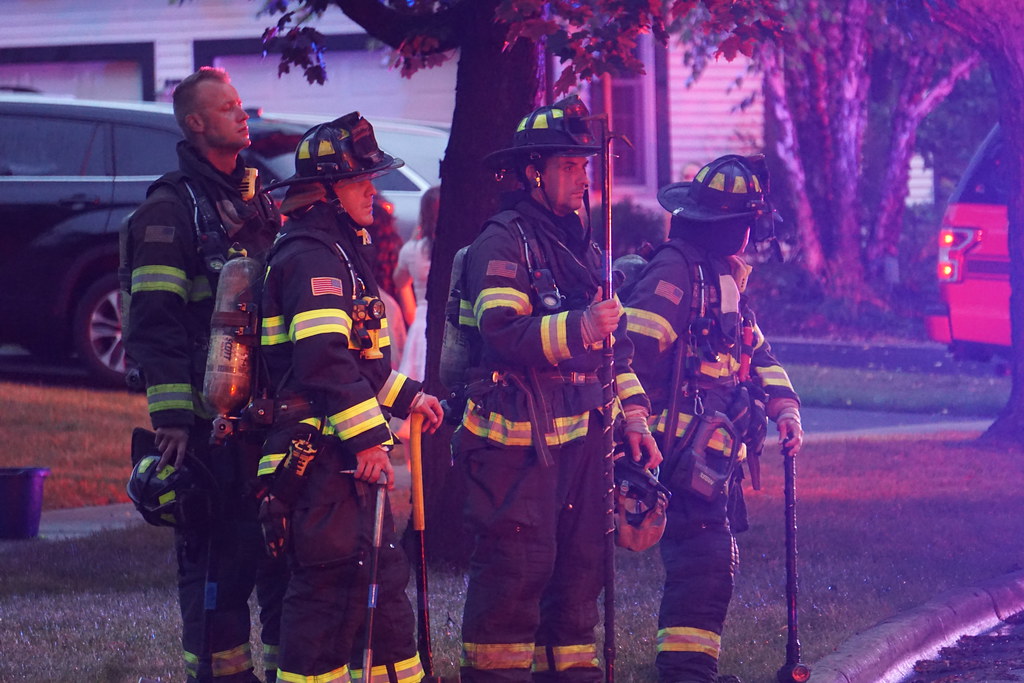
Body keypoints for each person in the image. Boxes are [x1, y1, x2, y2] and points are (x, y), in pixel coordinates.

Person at [453, 94, 661, 682]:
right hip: (514, 454)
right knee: (514, 581)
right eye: (567, 166)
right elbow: (500, 333)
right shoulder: (504, 242)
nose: (581, 178)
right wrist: (580, 325)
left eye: (584, 166)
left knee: (577, 583)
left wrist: (636, 418)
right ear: (531, 172)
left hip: (580, 449)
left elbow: (611, 351)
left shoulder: (583, 247)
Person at [256, 112, 444, 683]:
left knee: (379, 582)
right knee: (327, 593)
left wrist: (408, 396)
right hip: (317, 458)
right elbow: (322, 361)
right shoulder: (312, 257)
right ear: (327, 191)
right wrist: (368, 440)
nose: (373, 190)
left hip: (338, 456)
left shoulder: (338, 253)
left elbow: (360, 363)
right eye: (362, 180)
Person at [122, 67, 286, 683]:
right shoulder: (169, 210)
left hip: (266, 420)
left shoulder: (256, 199)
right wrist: (172, 420)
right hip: (206, 426)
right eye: (227, 108)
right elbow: (153, 322)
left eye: (242, 104)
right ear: (195, 122)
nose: (243, 116)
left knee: (276, 558)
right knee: (217, 565)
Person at [621, 154, 804, 683]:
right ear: (733, 228)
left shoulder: (720, 277)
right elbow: (629, 350)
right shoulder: (678, 270)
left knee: (708, 566)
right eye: (747, 224)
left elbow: (757, 352)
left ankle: (690, 672)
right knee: (702, 564)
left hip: (708, 460)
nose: (750, 235)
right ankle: (684, 674)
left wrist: (785, 409)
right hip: (673, 458)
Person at [394, 185, 439, 382]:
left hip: (421, 325)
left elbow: (399, 281)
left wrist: (413, 313)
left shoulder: (412, 250)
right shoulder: (462, 249)